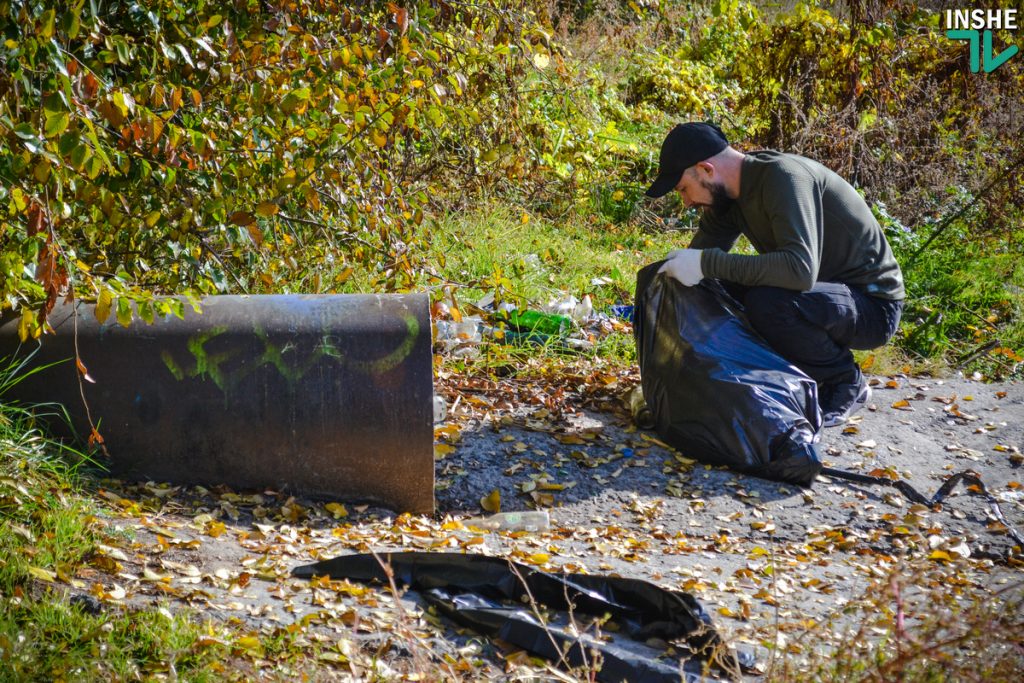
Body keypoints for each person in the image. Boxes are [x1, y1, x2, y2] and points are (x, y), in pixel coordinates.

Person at [645, 122, 905, 427]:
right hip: (821, 298)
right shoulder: (727, 198)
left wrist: (705, 263)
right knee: (713, 286)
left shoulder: (784, 178)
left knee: (767, 302)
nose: (687, 202)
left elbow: (799, 270)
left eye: (683, 189)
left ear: (706, 170)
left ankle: (845, 381)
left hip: (872, 305)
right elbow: (699, 267)